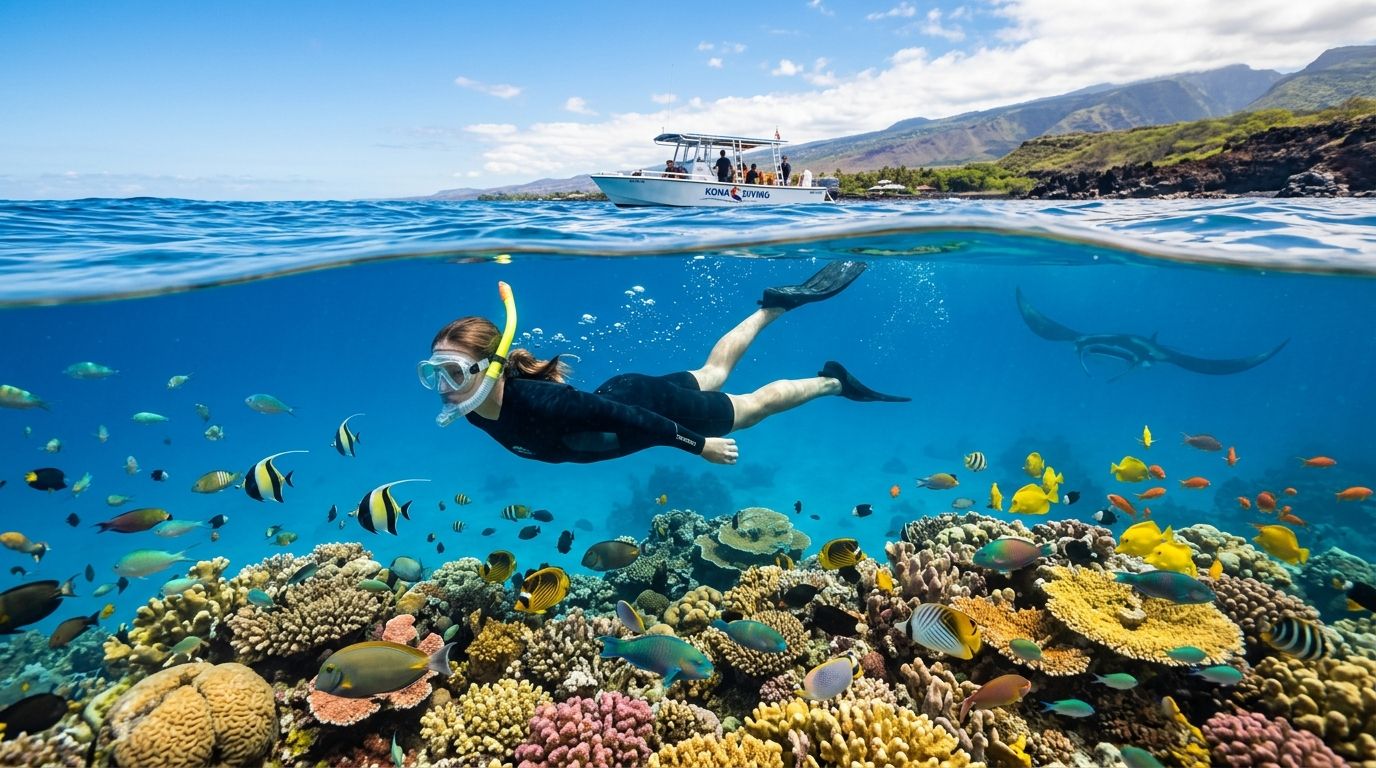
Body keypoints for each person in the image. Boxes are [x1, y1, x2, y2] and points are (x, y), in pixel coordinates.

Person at [420, 263, 908, 466]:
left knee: (752, 406)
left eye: (454, 373)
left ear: (494, 367)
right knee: (712, 373)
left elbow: (634, 421)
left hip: (640, 406)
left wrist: (700, 447)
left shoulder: (545, 402)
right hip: (625, 392)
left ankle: (831, 383)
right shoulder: (474, 409)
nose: (443, 387)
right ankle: (772, 306)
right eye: (434, 373)